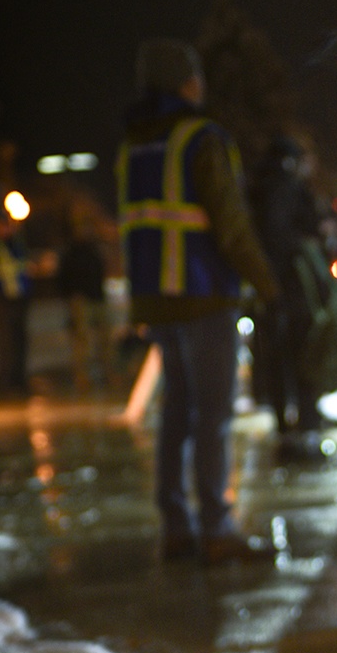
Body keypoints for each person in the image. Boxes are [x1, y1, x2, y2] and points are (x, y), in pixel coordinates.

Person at [116, 37, 279, 564]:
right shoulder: (201, 138)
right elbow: (230, 225)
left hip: (156, 300)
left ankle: (176, 528)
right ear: (187, 82)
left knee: (177, 413)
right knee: (214, 413)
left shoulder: (133, 144)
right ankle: (218, 527)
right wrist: (268, 283)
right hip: (205, 293)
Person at [248, 134, 334, 453]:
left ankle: (286, 425)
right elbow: (288, 232)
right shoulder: (286, 189)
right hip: (292, 287)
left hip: (269, 286)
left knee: (276, 356)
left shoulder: (258, 189)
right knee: (303, 352)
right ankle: (305, 424)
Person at [56, 205, 115, 392]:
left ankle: (107, 374)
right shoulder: (70, 251)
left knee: (105, 339)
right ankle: (82, 377)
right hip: (80, 300)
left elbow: (101, 270)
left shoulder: (94, 248)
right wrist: (70, 298)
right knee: (81, 342)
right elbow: (63, 277)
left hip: (97, 296)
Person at [0, 209, 32, 394]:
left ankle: (19, 378)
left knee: (20, 340)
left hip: (19, 298)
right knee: (6, 341)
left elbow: (23, 268)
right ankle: (6, 380)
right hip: (2, 301)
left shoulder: (15, 244)